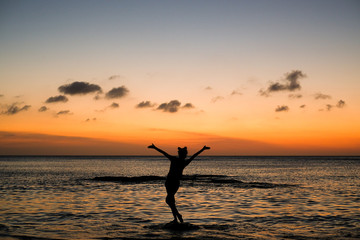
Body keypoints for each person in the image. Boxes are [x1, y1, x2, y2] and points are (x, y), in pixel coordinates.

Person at [148, 144, 210, 223]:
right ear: (183, 155)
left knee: (169, 200)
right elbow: (194, 156)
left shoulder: (176, 160)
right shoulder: (182, 161)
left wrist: (155, 147)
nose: (185, 155)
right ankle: (176, 218)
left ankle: (177, 216)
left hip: (172, 182)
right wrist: (203, 149)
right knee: (170, 200)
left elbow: (164, 153)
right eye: (185, 154)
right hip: (172, 182)